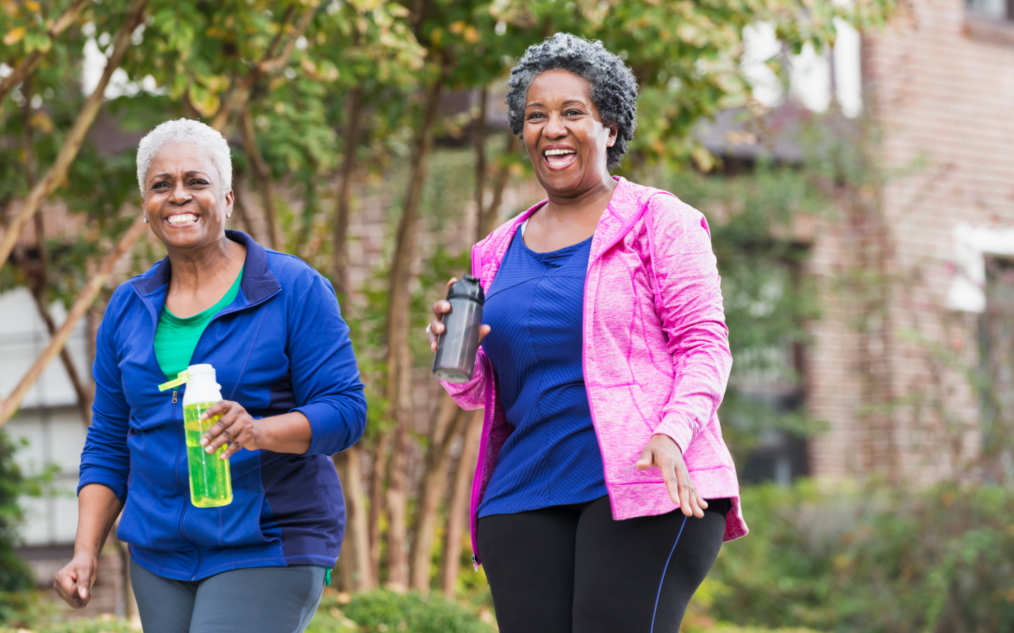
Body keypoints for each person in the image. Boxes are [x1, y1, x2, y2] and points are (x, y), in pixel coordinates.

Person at [428, 33, 748, 633]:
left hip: (647, 478)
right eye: (536, 116)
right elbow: (483, 392)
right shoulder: (493, 252)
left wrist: (673, 433)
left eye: (573, 112)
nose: (552, 128)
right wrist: (456, 351)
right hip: (522, 493)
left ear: (610, 128)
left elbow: (704, 346)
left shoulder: (660, 221)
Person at [53, 119, 366, 633]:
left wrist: (258, 431)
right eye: (162, 185)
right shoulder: (127, 309)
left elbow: (347, 413)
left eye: (196, 182)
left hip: (266, 541)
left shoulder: (293, 289)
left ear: (226, 198)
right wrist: (85, 551)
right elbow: (109, 443)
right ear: (145, 207)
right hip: (160, 554)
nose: (179, 196)